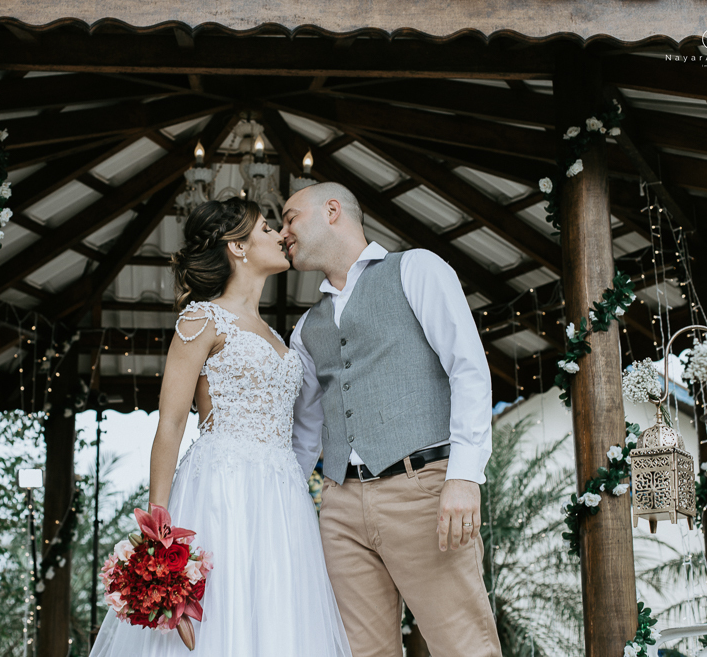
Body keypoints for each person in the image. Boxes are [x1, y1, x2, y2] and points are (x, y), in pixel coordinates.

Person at [90, 198, 352, 656]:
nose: (279, 236)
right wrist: (158, 538)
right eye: (267, 228)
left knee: (278, 618)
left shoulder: (280, 336)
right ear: (237, 246)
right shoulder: (201, 318)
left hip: (284, 498)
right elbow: (170, 425)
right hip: (220, 489)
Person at [281, 182, 503, 657]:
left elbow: (469, 369)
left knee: (463, 646)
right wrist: (286, 506)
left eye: (290, 217)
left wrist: (463, 477)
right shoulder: (305, 329)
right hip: (339, 507)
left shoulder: (416, 269)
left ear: (332, 211)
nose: (283, 233)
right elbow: (305, 433)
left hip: (422, 489)